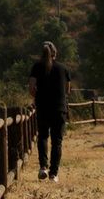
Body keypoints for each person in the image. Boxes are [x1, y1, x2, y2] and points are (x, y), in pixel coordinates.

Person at [29, 41, 72, 183]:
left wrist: (39, 95)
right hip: (59, 109)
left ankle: (43, 167)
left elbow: (31, 88)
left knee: (42, 137)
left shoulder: (37, 67)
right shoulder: (63, 68)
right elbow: (68, 90)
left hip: (43, 108)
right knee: (57, 141)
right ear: (55, 53)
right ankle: (54, 174)